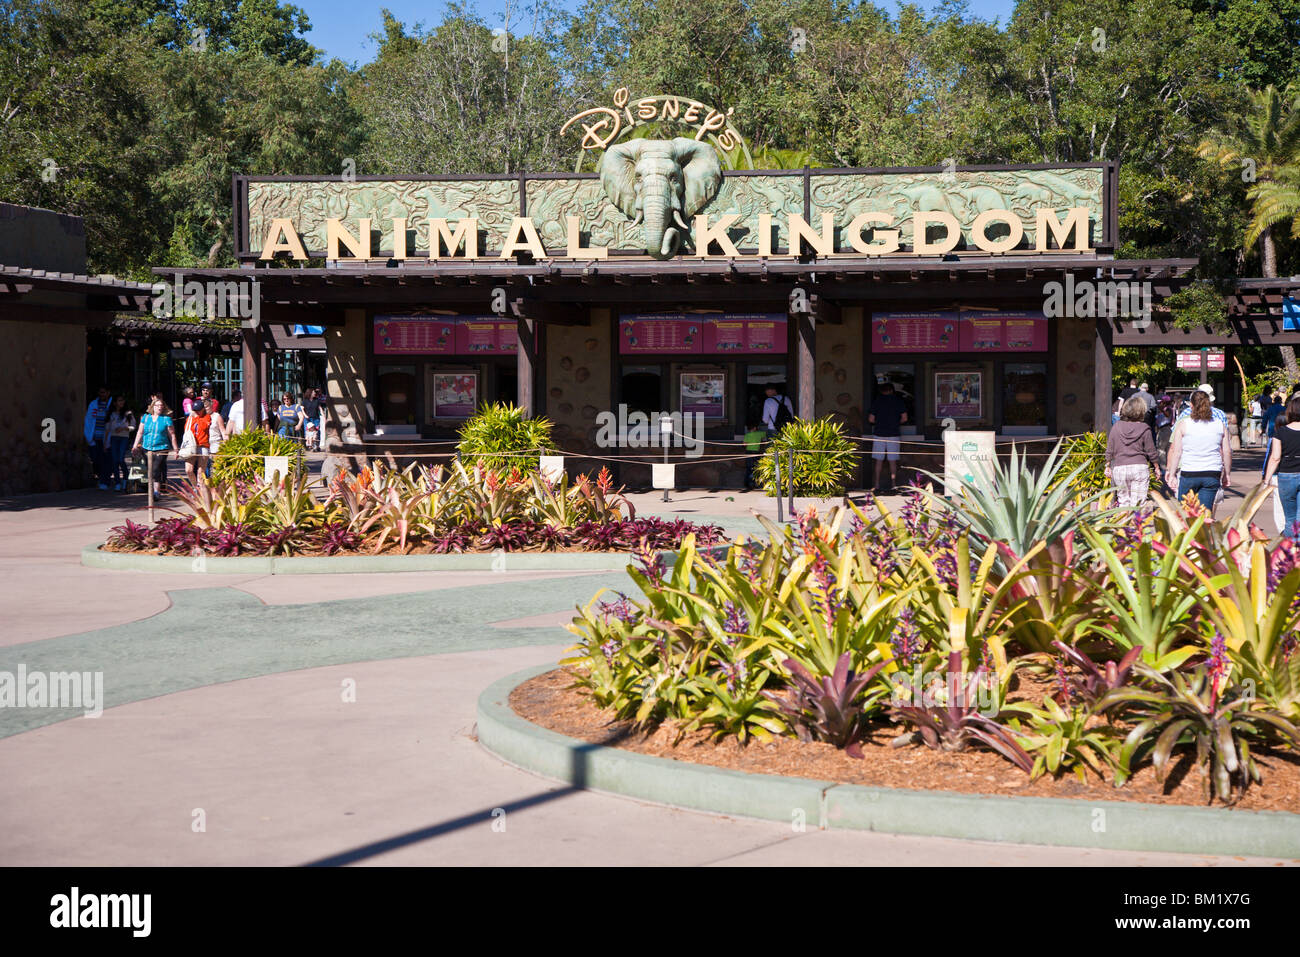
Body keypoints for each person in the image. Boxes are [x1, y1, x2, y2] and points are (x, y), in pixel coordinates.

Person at [1166, 389, 1231, 514]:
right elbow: (1227, 451)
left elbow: (1177, 452)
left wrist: (1172, 473)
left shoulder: (1184, 424)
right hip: (1212, 472)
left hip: (1189, 472)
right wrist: (1227, 474)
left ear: (1191, 405)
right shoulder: (1219, 424)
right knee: (1205, 514)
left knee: (1185, 514)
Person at [1105, 395, 1160, 507]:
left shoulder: (1116, 426)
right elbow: (1151, 451)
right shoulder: (1145, 428)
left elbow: (1110, 448)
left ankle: (1123, 523)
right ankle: (1136, 524)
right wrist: (1157, 467)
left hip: (1120, 468)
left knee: (1123, 503)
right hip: (1139, 468)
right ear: (1141, 411)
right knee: (1138, 505)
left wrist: (1107, 465)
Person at [1263, 396, 1300, 536]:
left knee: (1290, 518)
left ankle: (1291, 550)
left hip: (1286, 475)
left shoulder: (1281, 432)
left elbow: (1275, 457)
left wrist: (1266, 480)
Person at [131, 396, 178, 497]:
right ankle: (153, 490)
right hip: (146, 447)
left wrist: (176, 450)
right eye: (157, 405)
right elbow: (140, 432)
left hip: (162, 448)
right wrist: (135, 446)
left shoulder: (167, 419)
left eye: (161, 406)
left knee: (156, 468)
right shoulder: (146, 417)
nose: (160, 407)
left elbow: (172, 435)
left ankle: (156, 492)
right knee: (150, 469)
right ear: (153, 407)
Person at [868, 381, 908, 492]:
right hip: (893, 434)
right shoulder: (898, 401)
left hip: (879, 433)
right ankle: (894, 484)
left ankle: (876, 485)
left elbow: (871, 419)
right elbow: (905, 418)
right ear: (892, 390)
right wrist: (895, 422)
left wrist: (880, 422)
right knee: (892, 461)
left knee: (878, 461)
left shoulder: (877, 401)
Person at [82, 385, 113, 489]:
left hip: (107, 438)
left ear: (108, 393)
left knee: (106, 460)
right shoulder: (94, 404)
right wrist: (88, 436)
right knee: (96, 459)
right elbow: (88, 420)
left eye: (103, 392)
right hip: (95, 437)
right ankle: (101, 478)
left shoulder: (112, 404)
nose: (101, 394)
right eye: (100, 392)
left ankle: (105, 481)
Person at [103, 396, 136, 491]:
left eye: (123, 400)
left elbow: (133, 426)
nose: (121, 402)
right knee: (114, 460)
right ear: (115, 403)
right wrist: (105, 443)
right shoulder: (111, 414)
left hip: (124, 438)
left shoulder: (128, 414)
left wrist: (125, 428)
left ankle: (126, 478)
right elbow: (107, 429)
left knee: (121, 459)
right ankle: (117, 482)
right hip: (113, 438)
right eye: (119, 400)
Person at [181, 396, 214, 484]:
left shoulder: (207, 417)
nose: (196, 412)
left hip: (203, 445)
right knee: (188, 470)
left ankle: (200, 489)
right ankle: (195, 487)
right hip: (192, 445)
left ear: (203, 409)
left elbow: (204, 427)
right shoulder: (190, 418)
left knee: (201, 471)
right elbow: (187, 431)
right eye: (195, 410)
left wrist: (197, 418)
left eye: (198, 410)